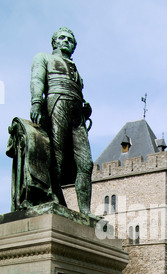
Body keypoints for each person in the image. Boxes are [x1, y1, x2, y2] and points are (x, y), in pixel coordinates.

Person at [30, 27, 93, 216]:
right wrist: (36, 102)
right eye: (62, 38)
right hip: (56, 102)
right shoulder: (43, 58)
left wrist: (85, 109)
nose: (66, 41)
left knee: (86, 163)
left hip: (77, 113)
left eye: (70, 39)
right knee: (57, 156)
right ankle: (52, 196)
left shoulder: (76, 70)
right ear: (54, 42)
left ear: (74, 46)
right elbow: (37, 80)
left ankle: (85, 211)